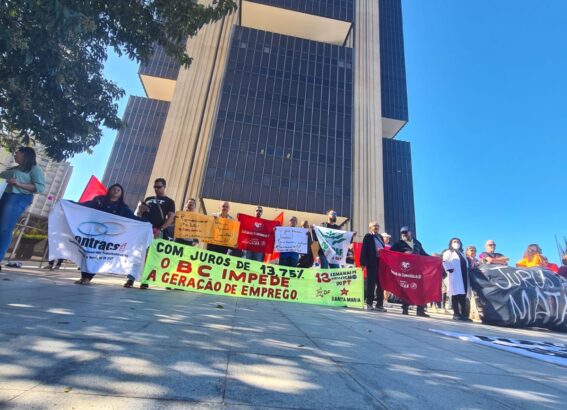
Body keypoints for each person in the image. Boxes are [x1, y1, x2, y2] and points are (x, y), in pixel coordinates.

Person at [75, 184, 140, 285]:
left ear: (121, 193)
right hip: (94, 232)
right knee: (88, 254)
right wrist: (72, 204)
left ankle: (88, 278)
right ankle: (83, 277)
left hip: (109, 236)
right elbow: (88, 205)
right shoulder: (99, 200)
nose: (115, 191)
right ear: (109, 190)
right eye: (114, 189)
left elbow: (132, 217)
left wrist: (146, 222)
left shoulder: (122, 207)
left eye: (118, 190)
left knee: (100, 256)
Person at [0, 147, 45, 271]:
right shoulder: (14, 168)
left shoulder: (35, 169)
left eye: (17, 153)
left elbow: (40, 188)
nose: (15, 154)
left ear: (25, 155)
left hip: (17, 197)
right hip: (3, 195)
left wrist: (18, 183)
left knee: (4, 228)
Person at [390, 226, 430, 317]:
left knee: (420, 289)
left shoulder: (417, 243)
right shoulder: (399, 243)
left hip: (417, 270)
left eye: (405, 232)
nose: (404, 234)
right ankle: (405, 309)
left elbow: (423, 254)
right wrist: (401, 254)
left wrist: (435, 259)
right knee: (406, 289)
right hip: (405, 270)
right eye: (402, 233)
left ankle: (420, 310)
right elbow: (391, 253)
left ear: (410, 232)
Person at [359, 221, 387, 312]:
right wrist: (363, 263)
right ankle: (369, 303)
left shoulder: (380, 237)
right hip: (372, 263)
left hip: (380, 263)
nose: (376, 227)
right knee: (371, 284)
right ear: (370, 227)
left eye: (377, 226)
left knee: (381, 284)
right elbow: (364, 249)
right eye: (374, 226)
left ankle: (379, 305)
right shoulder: (368, 236)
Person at [442, 238, 471, 321]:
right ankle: (456, 314)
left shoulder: (462, 254)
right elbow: (444, 261)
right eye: (454, 241)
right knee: (455, 295)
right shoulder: (449, 252)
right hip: (455, 275)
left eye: (458, 242)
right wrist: (449, 268)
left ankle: (463, 315)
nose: (456, 243)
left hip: (464, 276)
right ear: (451, 243)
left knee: (463, 296)